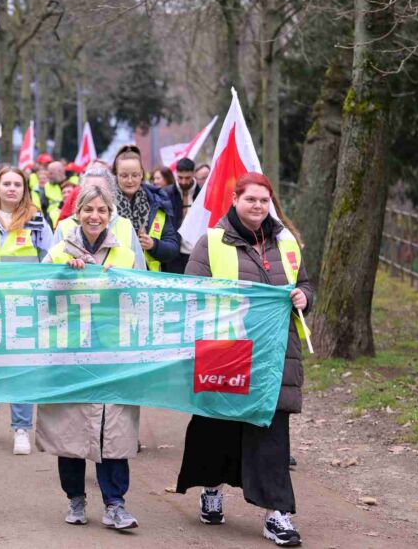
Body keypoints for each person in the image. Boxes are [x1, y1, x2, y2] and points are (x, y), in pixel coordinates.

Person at [175, 172, 313, 547]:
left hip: (274, 353)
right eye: (250, 199)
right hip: (226, 350)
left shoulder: (286, 242)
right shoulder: (213, 241)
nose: (257, 206)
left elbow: (306, 283)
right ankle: (212, 491)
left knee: (271, 431)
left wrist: (303, 297)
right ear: (235, 199)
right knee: (216, 426)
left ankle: (277, 514)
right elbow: (194, 292)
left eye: (264, 201)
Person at [39, 185, 140, 530]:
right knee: (70, 428)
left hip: (112, 352)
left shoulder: (125, 254)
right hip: (70, 351)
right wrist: (64, 276)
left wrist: (123, 283)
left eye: (101, 210)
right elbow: (38, 295)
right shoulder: (56, 253)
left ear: (110, 215)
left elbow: (142, 296)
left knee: (113, 429)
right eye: (88, 209)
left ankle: (115, 503)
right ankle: (75, 498)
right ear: (76, 213)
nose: (95, 216)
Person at [0, 166, 53, 455]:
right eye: (6, 183)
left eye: (17, 184)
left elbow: (50, 260)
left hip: (25, 307)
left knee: (21, 367)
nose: (11, 188)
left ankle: (21, 427)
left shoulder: (38, 221)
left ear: (24, 189)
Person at [51, 167, 146, 270]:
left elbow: (140, 276)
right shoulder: (64, 226)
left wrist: (118, 279)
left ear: (112, 193)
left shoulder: (126, 226)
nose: (95, 195)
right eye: (89, 190)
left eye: (101, 190)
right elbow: (48, 275)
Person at [112, 145, 180, 272]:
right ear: (116, 175)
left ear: (142, 174)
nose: (130, 180)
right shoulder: (105, 205)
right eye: (124, 175)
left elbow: (173, 248)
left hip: (148, 281)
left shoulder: (158, 203)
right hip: (114, 278)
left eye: (135, 175)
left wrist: (154, 244)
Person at [164, 157, 202, 274]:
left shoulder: (203, 194)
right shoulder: (166, 194)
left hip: (196, 252)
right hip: (174, 253)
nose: (183, 182)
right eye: (180, 178)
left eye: (187, 178)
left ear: (194, 174)